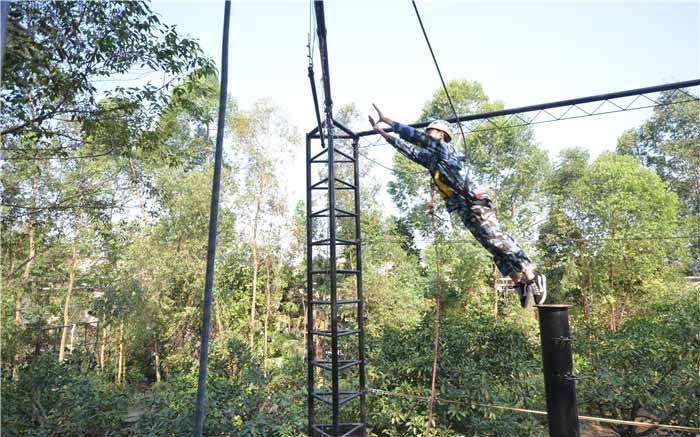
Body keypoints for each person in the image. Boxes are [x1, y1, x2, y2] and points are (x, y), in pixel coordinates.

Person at [368, 104, 546, 307]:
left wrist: (388, 121)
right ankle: (518, 282)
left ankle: (532, 276)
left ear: (441, 135)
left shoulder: (444, 150)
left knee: (498, 239)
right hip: (464, 209)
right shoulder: (433, 160)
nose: (426, 134)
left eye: (430, 131)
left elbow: (415, 138)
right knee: (491, 246)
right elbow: (409, 150)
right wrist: (381, 132)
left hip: (476, 203)